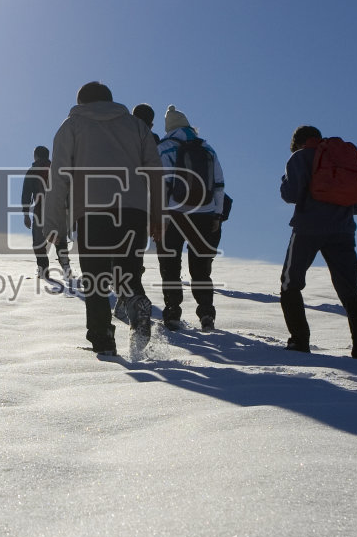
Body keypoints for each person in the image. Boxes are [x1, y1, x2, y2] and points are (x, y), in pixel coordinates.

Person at [51, 82, 164, 356]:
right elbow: (155, 171)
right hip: (134, 212)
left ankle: (102, 340)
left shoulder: (72, 126)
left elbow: (59, 179)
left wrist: (56, 224)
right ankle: (135, 302)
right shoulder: (136, 126)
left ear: (82, 102)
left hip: (92, 212)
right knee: (128, 270)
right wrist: (157, 214)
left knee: (96, 278)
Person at [279, 125, 357, 359]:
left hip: (307, 229)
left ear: (297, 142)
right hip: (343, 231)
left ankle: (299, 341)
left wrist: (285, 179)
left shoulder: (299, 157)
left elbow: (290, 194)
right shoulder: (342, 159)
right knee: (349, 289)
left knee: (290, 283)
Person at [156, 105, 225, 331]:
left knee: (170, 264)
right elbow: (218, 185)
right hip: (205, 214)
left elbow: (161, 185)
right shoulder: (207, 148)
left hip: (174, 216)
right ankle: (206, 312)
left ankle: (173, 311)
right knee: (201, 267)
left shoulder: (164, 148)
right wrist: (217, 214)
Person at [21, 145, 71, 284]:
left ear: (35, 156)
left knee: (39, 241)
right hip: (59, 210)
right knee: (59, 238)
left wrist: (25, 213)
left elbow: (26, 193)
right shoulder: (56, 169)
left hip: (40, 210)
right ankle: (65, 266)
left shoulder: (33, 171)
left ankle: (43, 269)